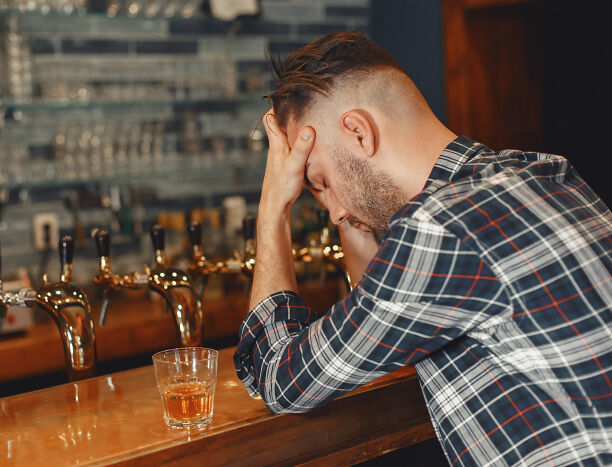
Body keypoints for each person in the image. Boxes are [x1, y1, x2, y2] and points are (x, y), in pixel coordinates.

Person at [233, 32, 612, 466]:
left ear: (359, 131)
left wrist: (272, 211)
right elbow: (374, 323)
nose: (333, 212)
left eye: (318, 183)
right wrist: (350, 206)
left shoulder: (440, 226)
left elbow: (281, 380)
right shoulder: (544, 172)